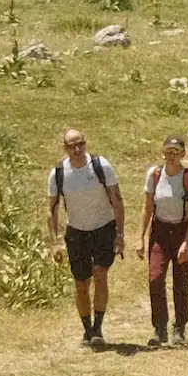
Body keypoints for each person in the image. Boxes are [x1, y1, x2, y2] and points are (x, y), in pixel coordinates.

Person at [46, 128, 124, 351]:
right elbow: (51, 208)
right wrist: (56, 241)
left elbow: (117, 199)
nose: (77, 150)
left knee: (100, 274)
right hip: (77, 232)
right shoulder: (58, 173)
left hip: (103, 228)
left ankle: (98, 329)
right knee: (81, 284)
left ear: (86, 144)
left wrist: (120, 234)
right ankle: (87, 329)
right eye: (72, 146)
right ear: (65, 148)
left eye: (80, 144)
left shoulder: (101, 166)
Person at [139, 134, 188, 345]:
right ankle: (159, 328)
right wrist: (140, 238)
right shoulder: (154, 175)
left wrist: (187, 244)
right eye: (168, 151)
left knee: (180, 282)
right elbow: (147, 207)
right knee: (155, 279)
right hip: (160, 232)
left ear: (183, 154)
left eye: (176, 152)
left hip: (183, 231)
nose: (172, 156)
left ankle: (179, 328)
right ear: (163, 152)